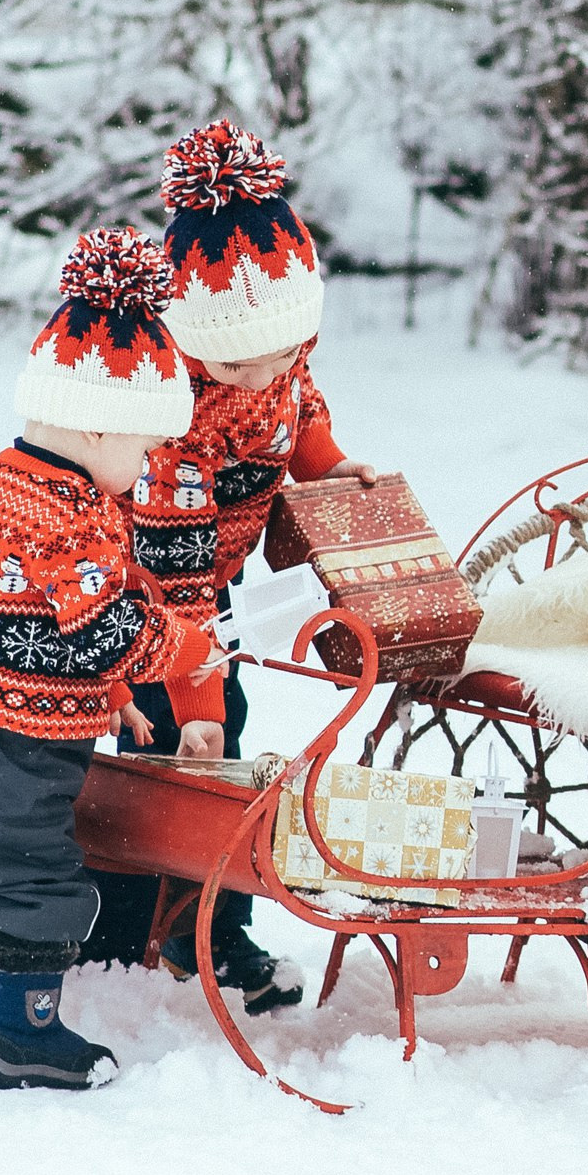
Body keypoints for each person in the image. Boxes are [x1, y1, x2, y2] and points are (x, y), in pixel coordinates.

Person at [0, 229, 220, 1090]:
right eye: (141, 449)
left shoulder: (6, 480)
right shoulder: (77, 513)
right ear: (98, 424)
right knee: (33, 877)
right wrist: (185, 644)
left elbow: (41, 622)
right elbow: (100, 625)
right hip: (10, 746)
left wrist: (113, 694)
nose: (142, 472)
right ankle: (23, 1034)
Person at [83, 121, 376, 1010]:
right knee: (172, 748)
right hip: (143, 595)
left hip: (220, 581)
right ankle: (135, 932)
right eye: (238, 359)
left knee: (217, 751)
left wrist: (325, 464)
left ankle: (208, 925)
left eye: (283, 350)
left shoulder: (279, 363)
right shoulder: (168, 417)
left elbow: (298, 407)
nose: (262, 374)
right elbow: (176, 585)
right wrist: (197, 697)